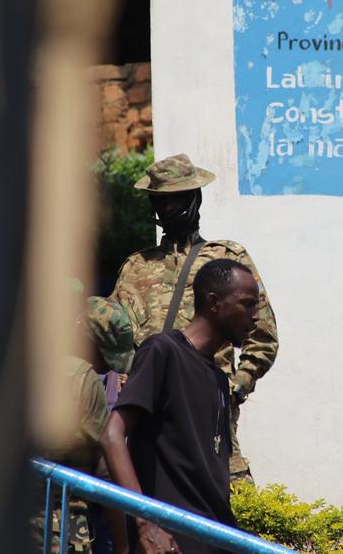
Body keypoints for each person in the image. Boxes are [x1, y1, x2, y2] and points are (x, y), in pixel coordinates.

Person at [107, 153, 278, 482]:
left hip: (208, 419)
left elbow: (263, 336)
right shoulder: (135, 268)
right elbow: (110, 338)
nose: (169, 209)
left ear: (194, 198)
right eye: (161, 201)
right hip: (150, 425)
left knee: (228, 517)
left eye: (177, 199)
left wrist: (235, 387)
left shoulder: (226, 259)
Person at [101, 259, 260, 554]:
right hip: (168, 544)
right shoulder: (163, 352)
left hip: (214, 540)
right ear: (214, 302)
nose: (255, 317)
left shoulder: (218, 380)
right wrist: (146, 525)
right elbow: (112, 434)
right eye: (248, 305)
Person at [33, 295, 135, 553]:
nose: (105, 367)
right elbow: (105, 470)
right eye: (104, 356)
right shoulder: (83, 377)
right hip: (59, 525)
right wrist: (122, 545)